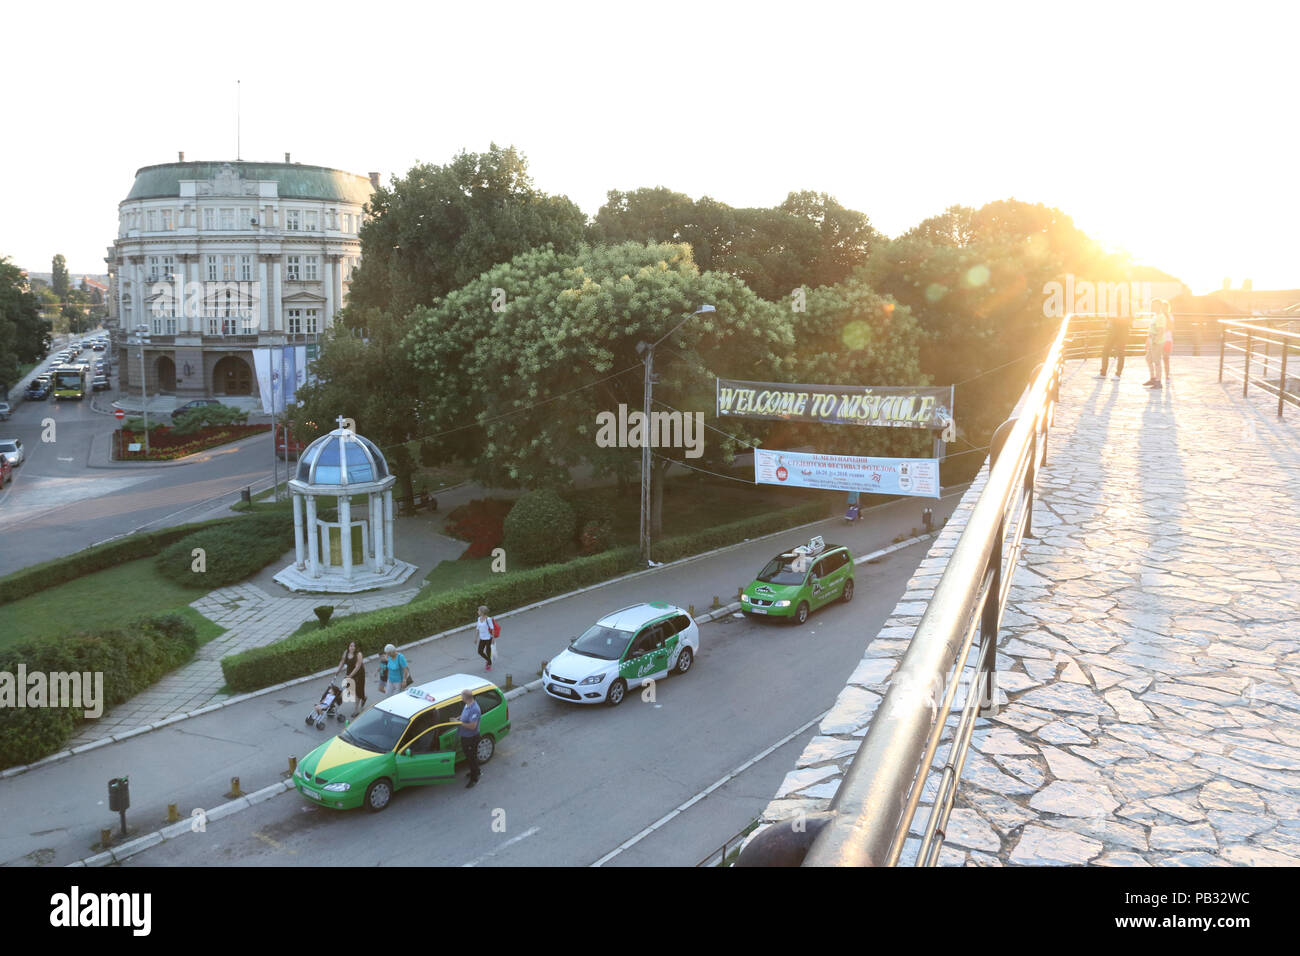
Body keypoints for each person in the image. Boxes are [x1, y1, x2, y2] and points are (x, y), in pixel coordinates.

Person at [454, 688, 482, 788]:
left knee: (471, 758)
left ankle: (474, 779)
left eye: (461, 696)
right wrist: (458, 718)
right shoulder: (467, 705)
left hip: (471, 738)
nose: (460, 697)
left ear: (466, 698)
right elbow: (464, 715)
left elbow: (472, 726)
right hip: (465, 737)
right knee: (471, 757)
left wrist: (459, 723)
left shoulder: (475, 709)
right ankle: (476, 771)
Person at [1143, 302, 1169, 389]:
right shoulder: (1155, 316)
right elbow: (1151, 330)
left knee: (1156, 361)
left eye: (1155, 305)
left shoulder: (1161, 317)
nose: (1153, 307)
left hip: (1157, 342)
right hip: (1151, 340)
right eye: (1152, 305)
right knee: (1148, 359)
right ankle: (1152, 378)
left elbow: (1161, 331)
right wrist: (1148, 341)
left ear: (1160, 306)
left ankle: (1158, 382)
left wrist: (1155, 341)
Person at [337, 641, 367, 718]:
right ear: (348, 646)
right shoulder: (346, 652)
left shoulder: (359, 654)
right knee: (349, 689)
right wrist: (337, 670)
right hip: (349, 672)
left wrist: (350, 676)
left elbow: (357, 666)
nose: (352, 647)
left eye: (354, 646)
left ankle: (356, 710)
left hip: (359, 674)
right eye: (351, 646)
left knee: (357, 691)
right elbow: (342, 661)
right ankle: (363, 697)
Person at [474, 605, 496, 672]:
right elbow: (477, 628)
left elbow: (492, 629)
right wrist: (476, 638)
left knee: (487, 652)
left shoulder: (488, 619)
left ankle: (489, 664)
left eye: (479, 610)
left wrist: (493, 639)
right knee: (480, 651)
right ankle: (489, 660)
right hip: (482, 638)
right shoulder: (479, 619)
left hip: (488, 638)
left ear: (482, 612)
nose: (477, 611)